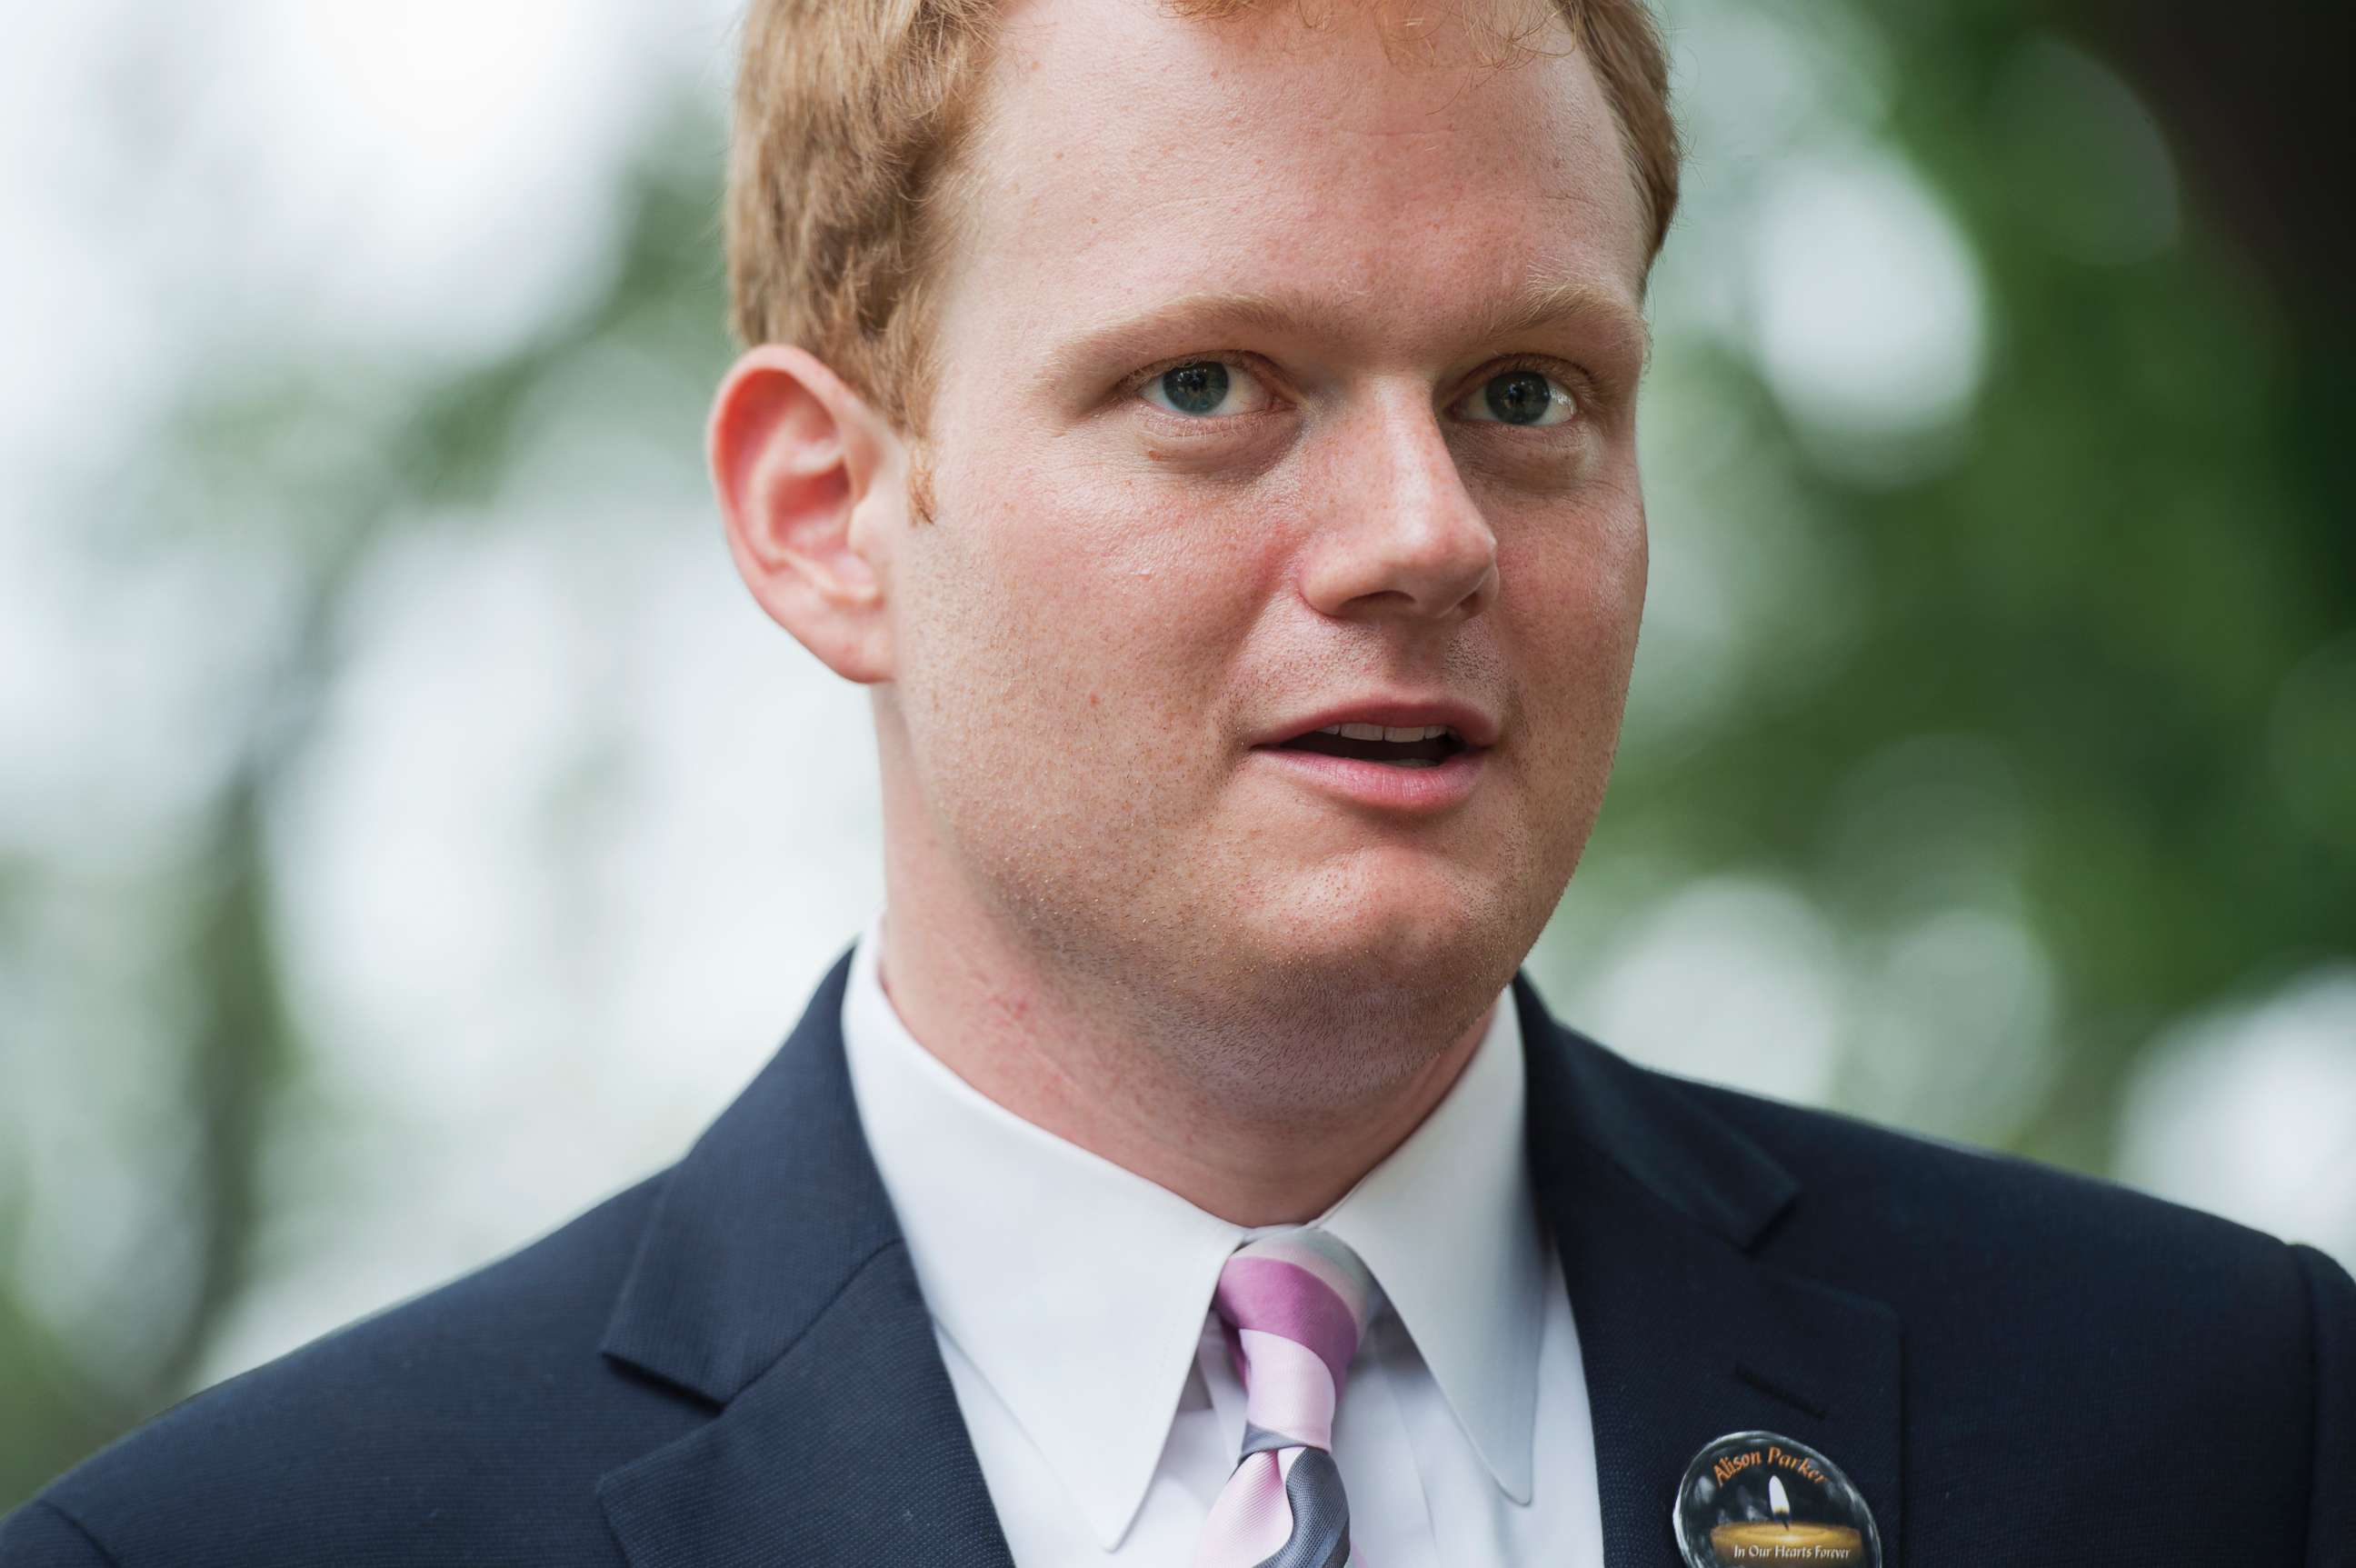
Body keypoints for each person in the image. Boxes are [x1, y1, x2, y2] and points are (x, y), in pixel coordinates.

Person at [5, 0, 2350, 1561]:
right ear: (829, 517)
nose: (1426, 533)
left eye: (1530, 393)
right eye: (1216, 385)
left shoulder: (2213, 1430)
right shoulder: (263, 1546)